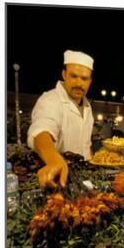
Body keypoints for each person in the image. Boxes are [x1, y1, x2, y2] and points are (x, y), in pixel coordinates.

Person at [27, 50, 95, 188]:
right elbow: (42, 131)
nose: (79, 83)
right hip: (57, 180)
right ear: (64, 75)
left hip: (83, 178)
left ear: (90, 81)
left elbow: (86, 145)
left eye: (84, 78)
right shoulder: (51, 100)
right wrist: (54, 160)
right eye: (74, 76)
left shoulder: (87, 106)